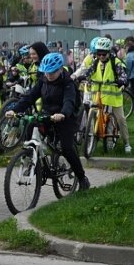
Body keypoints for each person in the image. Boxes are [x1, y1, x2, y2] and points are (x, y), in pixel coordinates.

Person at [6, 53, 92, 188]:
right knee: (30, 126)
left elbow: (69, 101)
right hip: (47, 114)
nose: (48, 75)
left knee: (66, 148)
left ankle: (82, 178)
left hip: (66, 118)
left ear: (59, 69)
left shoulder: (68, 82)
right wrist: (15, 110)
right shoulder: (43, 80)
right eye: (46, 72)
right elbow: (30, 97)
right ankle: (32, 159)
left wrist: (63, 114)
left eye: (52, 72)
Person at [75, 37, 131, 154]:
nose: (100, 57)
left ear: (108, 52)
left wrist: (122, 80)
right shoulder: (96, 62)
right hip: (98, 95)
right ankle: (92, 137)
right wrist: (82, 77)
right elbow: (88, 72)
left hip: (113, 97)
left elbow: (123, 75)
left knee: (120, 119)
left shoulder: (115, 62)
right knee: (92, 114)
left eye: (103, 54)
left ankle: (127, 143)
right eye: (98, 54)